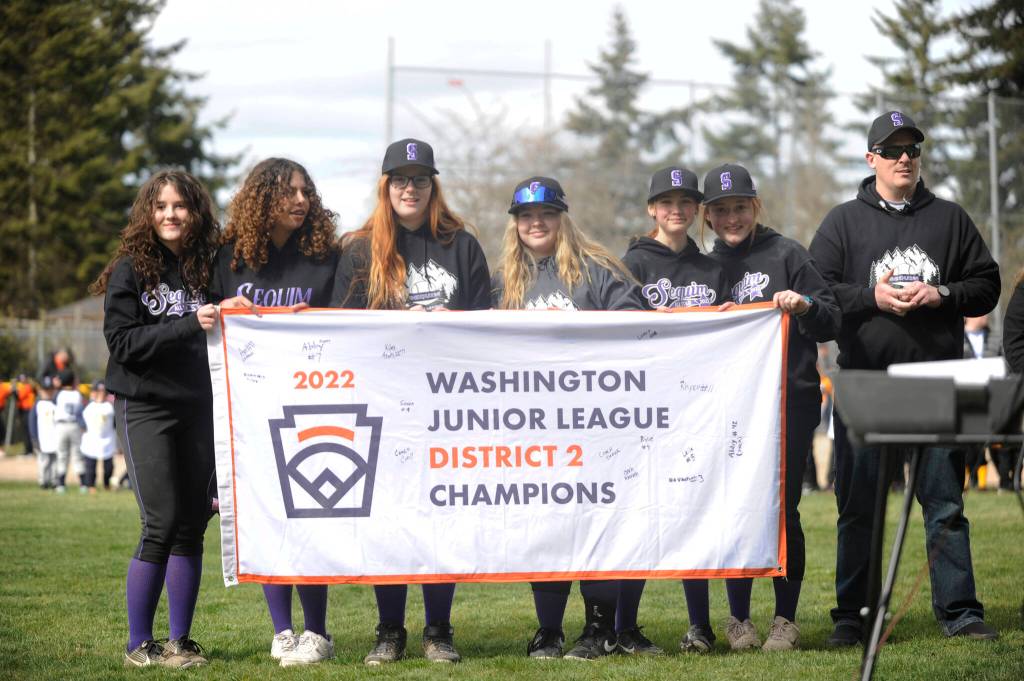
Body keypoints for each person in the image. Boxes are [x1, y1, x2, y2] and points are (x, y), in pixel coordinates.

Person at [809, 111, 1001, 644]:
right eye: (892, 150)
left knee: (944, 505)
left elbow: (987, 283)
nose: (904, 159)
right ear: (870, 159)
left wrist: (944, 294)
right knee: (859, 506)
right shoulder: (843, 222)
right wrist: (871, 296)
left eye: (912, 149)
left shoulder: (950, 219)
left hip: (938, 381)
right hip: (867, 383)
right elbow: (818, 291)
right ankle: (854, 617)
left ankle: (959, 611)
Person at [332, 138, 490, 664]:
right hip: (384, 405)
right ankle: (389, 630)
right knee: (390, 518)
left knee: (442, 516)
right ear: (386, 186)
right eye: (400, 179)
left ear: (432, 186)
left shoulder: (461, 245)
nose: (410, 188)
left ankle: (439, 629)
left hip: (447, 406)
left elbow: (488, 326)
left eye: (420, 179)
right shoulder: (358, 248)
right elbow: (342, 329)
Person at [675, 163, 838, 653]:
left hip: (789, 401)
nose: (731, 218)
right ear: (706, 216)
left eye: (740, 207)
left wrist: (804, 304)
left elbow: (831, 317)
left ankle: (784, 619)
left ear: (755, 207)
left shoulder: (787, 253)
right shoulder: (704, 267)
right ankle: (739, 620)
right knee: (732, 508)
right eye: (720, 210)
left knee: (782, 509)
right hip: (726, 410)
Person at [492, 176, 645, 660]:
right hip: (535, 428)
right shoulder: (504, 281)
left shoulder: (597, 270)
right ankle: (549, 630)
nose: (537, 224)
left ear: (563, 218)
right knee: (548, 524)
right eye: (527, 217)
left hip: (597, 425)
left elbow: (637, 326)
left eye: (547, 215)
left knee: (598, 522)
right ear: (516, 224)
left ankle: (598, 628)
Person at [91, 168, 226, 668]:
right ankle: (137, 644)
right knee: (161, 522)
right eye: (161, 206)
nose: (170, 215)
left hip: (196, 406)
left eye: (180, 206)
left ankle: (180, 641)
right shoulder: (131, 268)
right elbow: (123, 344)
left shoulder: (204, 268)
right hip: (145, 406)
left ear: (195, 213)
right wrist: (188, 323)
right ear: (148, 213)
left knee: (193, 525)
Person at [211, 157, 340, 667]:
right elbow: (206, 321)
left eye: (306, 191)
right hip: (250, 409)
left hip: (313, 402)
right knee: (267, 517)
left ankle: (318, 632)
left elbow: (345, 326)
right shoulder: (229, 259)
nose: (301, 200)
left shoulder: (324, 258)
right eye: (289, 191)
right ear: (261, 197)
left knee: (308, 513)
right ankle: (282, 631)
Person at [615, 166, 730, 655]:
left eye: (686, 202)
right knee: (637, 515)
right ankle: (623, 627)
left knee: (694, 513)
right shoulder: (632, 263)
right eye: (666, 202)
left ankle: (700, 626)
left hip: (696, 407)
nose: (676, 210)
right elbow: (616, 328)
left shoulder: (712, 269)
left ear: (697, 209)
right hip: (646, 408)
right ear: (651, 209)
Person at [52, 369, 85, 494]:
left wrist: (57, 386)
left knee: (62, 455)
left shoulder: (58, 394)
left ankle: (61, 484)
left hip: (61, 426)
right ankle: (83, 484)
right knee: (77, 455)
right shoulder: (77, 394)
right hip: (75, 426)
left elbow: (54, 401)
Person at [80, 381, 116, 492]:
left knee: (109, 467)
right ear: (94, 393)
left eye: (102, 391)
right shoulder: (89, 407)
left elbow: (115, 423)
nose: (100, 394)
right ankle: (91, 485)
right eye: (98, 391)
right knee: (91, 467)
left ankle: (106, 484)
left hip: (107, 441)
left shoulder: (110, 407)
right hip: (92, 441)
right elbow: (81, 421)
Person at [29, 376, 58, 489]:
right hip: (42, 439)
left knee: (55, 462)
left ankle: (54, 481)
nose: (48, 392)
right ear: (40, 391)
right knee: (44, 461)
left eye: (50, 389)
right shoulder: (37, 405)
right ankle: (43, 481)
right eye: (45, 390)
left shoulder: (56, 404)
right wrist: (34, 438)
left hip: (55, 438)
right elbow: (32, 422)